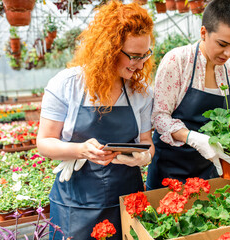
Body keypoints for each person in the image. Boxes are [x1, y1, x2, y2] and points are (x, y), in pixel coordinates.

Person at [36, 1, 155, 239]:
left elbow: (146, 141)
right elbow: (45, 142)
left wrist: (144, 157)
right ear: (109, 49)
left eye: (145, 55)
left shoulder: (140, 92)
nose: (141, 64)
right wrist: (81, 149)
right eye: (133, 56)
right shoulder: (67, 84)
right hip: (76, 203)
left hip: (127, 199)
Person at [146, 0, 230, 190]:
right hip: (169, 171)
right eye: (223, 44)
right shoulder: (177, 61)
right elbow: (159, 117)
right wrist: (192, 137)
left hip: (209, 171)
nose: (229, 53)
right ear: (203, 33)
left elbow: (229, 119)